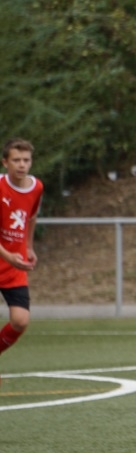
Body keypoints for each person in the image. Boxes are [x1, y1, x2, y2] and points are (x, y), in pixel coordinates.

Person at [0, 139, 44, 388]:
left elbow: (31, 216)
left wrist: (27, 246)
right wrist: (7, 255)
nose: (22, 165)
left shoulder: (36, 187)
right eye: (16, 160)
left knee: (20, 320)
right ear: (5, 162)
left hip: (14, 267)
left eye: (26, 160)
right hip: (6, 258)